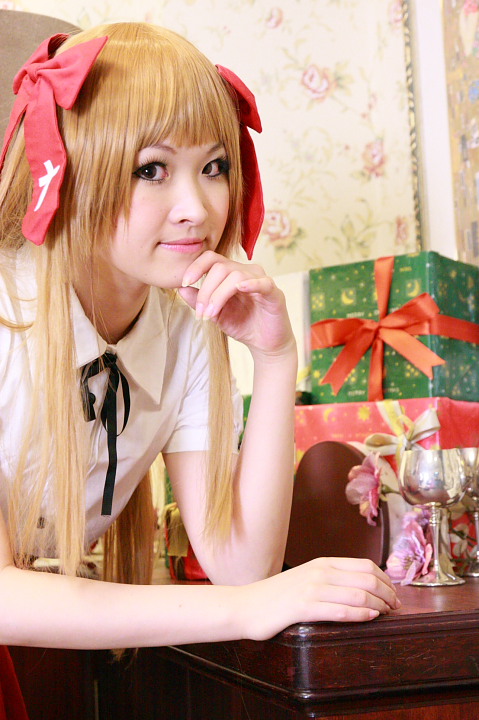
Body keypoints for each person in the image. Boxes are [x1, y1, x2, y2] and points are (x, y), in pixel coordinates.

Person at [0, 21, 399, 661]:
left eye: (214, 166)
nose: (197, 207)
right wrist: (247, 608)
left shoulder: (184, 324)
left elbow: (241, 564)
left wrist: (274, 357)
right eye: (151, 169)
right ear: (72, 172)